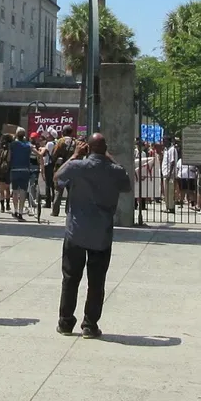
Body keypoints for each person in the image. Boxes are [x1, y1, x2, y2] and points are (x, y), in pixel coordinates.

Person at [54, 133, 132, 338]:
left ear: (87, 147)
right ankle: (89, 325)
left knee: (70, 278)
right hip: (101, 233)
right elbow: (127, 184)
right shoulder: (114, 170)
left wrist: (75, 155)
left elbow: (57, 178)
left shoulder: (77, 166)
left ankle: (65, 322)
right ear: (104, 148)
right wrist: (108, 156)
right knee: (96, 282)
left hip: (76, 231)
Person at [48, 128, 76, 217]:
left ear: (63, 132)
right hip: (72, 168)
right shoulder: (75, 142)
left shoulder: (60, 141)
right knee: (71, 191)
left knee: (58, 190)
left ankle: (55, 211)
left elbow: (54, 155)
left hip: (61, 169)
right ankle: (68, 211)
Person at [8, 127, 35, 221]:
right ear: (24, 135)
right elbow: (38, 154)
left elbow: (8, 158)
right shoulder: (29, 145)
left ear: (16, 134)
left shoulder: (12, 144)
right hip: (25, 170)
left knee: (15, 191)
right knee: (23, 192)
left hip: (15, 170)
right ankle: (20, 212)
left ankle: (15, 210)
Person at [162, 135, 179, 214]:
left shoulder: (172, 149)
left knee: (170, 191)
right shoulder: (166, 150)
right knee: (166, 192)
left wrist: (169, 173)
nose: (163, 142)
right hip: (165, 173)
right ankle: (167, 207)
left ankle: (171, 207)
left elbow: (172, 162)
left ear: (168, 141)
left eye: (164, 140)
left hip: (170, 174)